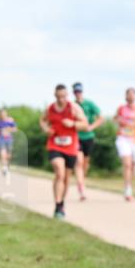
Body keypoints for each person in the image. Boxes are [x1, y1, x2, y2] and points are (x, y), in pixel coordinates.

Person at [40, 84, 88, 219]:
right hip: (54, 145)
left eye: (64, 96)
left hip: (71, 147)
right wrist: (46, 129)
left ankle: (60, 205)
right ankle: (58, 203)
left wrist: (73, 124)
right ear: (55, 96)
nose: (61, 99)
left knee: (66, 178)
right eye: (59, 96)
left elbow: (85, 124)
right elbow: (42, 121)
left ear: (67, 96)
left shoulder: (74, 108)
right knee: (59, 172)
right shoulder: (50, 108)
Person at [72, 82, 103, 200]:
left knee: (85, 163)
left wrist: (91, 127)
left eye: (79, 91)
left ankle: (82, 181)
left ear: (82, 92)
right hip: (76, 137)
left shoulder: (89, 104)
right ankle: (81, 188)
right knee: (78, 162)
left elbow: (101, 118)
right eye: (76, 92)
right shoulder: (72, 105)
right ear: (73, 93)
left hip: (88, 137)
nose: (78, 94)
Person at [0, 109, 17, 175]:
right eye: (1, 114)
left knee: (8, 155)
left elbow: (15, 129)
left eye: (4, 113)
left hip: (9, 140)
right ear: (0, 115)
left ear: (6, 114)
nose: (3, 115)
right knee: (2, 154)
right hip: (0, 139)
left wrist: (8, 129)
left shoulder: (10, 121)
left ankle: (7, 166)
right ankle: (4, 168)